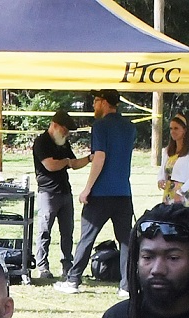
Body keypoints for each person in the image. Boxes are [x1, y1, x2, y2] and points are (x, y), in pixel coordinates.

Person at [56, 90, 138, 296]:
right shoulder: (130, 127)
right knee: (125, 241)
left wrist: (87, 188)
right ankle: (126, 286)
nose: (93, 105)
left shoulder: (100, 126)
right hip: (123, 193)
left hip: (101, 193)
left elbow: (99, 157)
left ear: (105, 103)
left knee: (87, 238)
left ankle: (73, 280)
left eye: (96, 101)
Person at [30, 110, 90, 282]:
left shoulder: (63, 143)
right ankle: (43, 266)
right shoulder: (42, 142)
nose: (67, 134)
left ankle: (67, 265)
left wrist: (90, 158)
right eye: (65, 130)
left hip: (65, 192)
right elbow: (50, 165)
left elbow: (74, 163)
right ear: (55, 125)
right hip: (48, 193)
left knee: (67, 232)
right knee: (44, 231)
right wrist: (66, 162)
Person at [157, 113, 189, 204]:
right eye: (171, 128)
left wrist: (180, 191)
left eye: (176, 128)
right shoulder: (168, 151)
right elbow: (162, 171)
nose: (172, 131)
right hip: (169, 194)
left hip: (184, 194)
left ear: (185, 130)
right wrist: (160, 180)